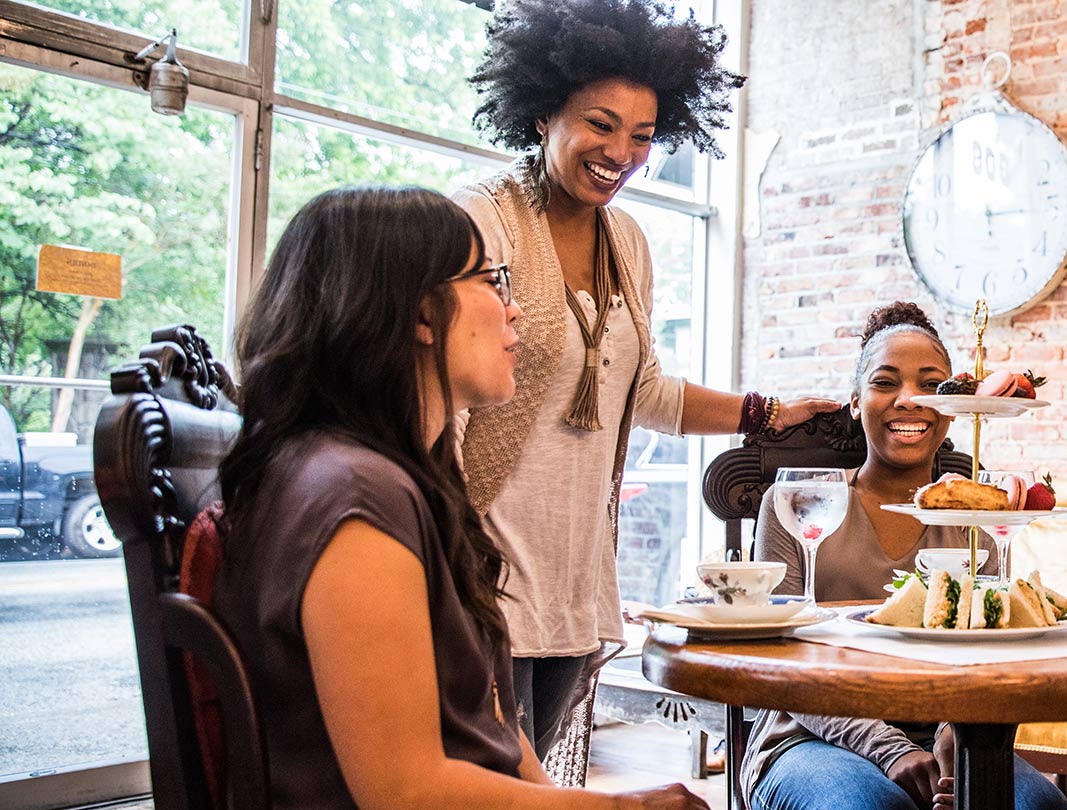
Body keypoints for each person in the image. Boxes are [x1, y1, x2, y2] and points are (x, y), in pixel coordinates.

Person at [217, 185, 705, 809]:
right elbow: (406, 791)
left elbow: (493, 724)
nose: (517, 308)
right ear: (421, 313)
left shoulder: (395, 479)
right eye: (493, 280)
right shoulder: (356, 501)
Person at [457, 0, 839, 758]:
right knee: (491, 783)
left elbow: (644, 392)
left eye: (642, 136)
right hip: (482, 571)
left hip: (573, 578)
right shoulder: (480, 219)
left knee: (533, 780)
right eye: (600, 124)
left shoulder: (626, 241)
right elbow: (443, 400)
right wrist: (440, 554)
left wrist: (767, 413)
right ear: (541, 114)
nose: (621, 152)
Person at [745, 302, 1067, 810]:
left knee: (1039, 807)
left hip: (947, 738)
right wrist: (889, 750)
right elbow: (781, 657)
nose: (909, 400)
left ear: (954, 405)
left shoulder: (975, 516)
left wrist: (954, 733)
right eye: (885, 382)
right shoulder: (795, 506)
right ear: (856, 402)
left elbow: (984, 650)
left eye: (930, 384)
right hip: (806, 733)